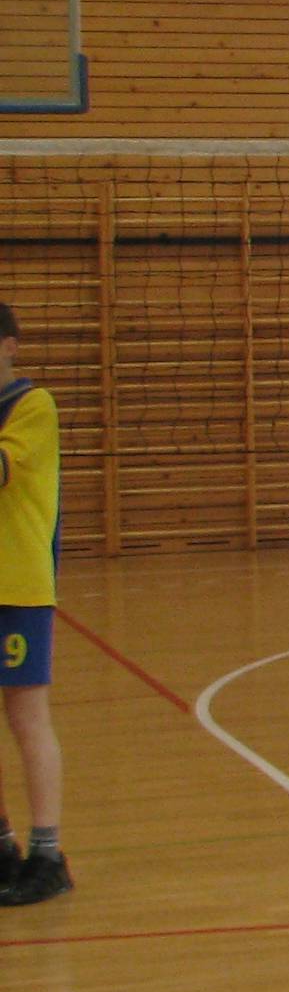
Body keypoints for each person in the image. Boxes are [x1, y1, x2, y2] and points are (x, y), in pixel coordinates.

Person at [0, 305, 70, 905]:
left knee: (27, 718)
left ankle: (48, 854)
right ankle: (2, 843)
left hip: (17, 587)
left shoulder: (32, 405)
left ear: (10, 346)